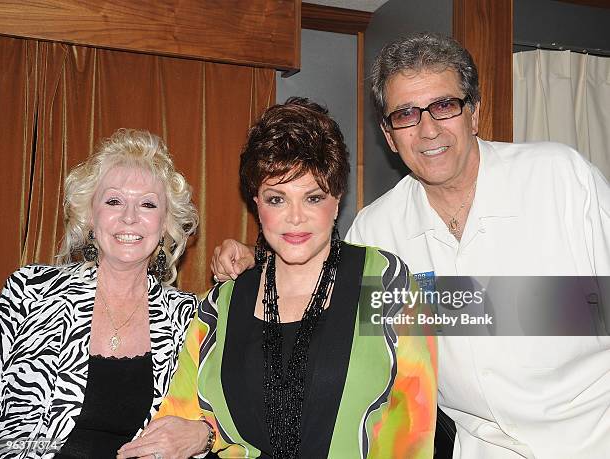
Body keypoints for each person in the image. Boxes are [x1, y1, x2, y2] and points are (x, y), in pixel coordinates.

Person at [211, 34, 610, 458]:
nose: (428, 129)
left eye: (443, 106)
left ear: (473, 112)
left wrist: (443, 304)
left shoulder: (560, 177)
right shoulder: (377, 226)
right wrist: (266, 261)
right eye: (406, 114)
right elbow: (329, 297)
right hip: (483, 449)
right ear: (388, 134)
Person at [118, 97, 437, 459]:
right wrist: (208, 434)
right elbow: (178, 419)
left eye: (313, 198)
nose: (295, 218)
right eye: (277, 199)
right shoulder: (222, 305)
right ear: (256, 203)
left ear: (337, 201)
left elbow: (411, 428)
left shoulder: (383, 284)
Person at [0, 129, 201, 458]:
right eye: (114, 201)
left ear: (166, 223)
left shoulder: (188, 318)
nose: (130, 217)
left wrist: (204, 435)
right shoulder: (30, 290)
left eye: (147, 204)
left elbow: (219, 420)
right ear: (90, 216)